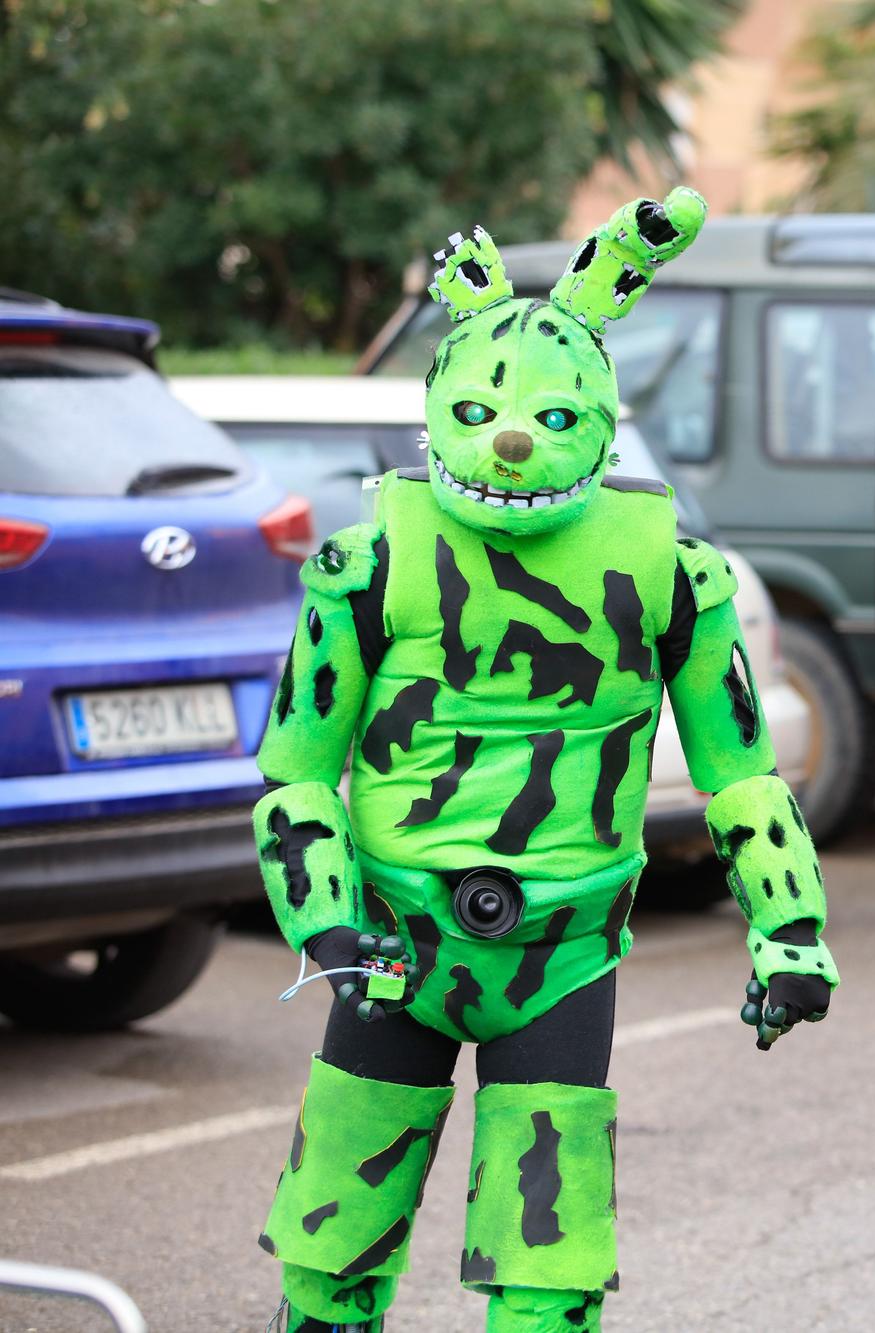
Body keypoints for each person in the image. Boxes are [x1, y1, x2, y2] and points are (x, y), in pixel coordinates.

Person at [251, 198, 838, 1333]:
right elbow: (298, 775)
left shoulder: (672, 576)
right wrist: (325, 922)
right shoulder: (368, 568)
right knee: (335, 1234)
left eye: (551, 414)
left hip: (561, 951)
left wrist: (791, 925)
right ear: (436, 417)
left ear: (601, 426)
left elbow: (741, 775)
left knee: (549, 1252)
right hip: (391, 935)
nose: (510, 439)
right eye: (476, 412)